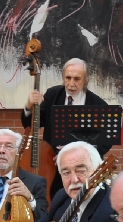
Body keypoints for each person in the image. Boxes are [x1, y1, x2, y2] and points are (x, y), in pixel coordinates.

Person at [21, 58, 113, 199]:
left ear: (85, 80)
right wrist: (29, 106)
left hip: (81, 171)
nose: (71, 83)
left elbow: (105, 142)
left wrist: (76, 151)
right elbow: (32, 124)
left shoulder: (97, 104)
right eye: (68, 78)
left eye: (77, 79)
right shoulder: (52, 95)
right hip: (51, 166)